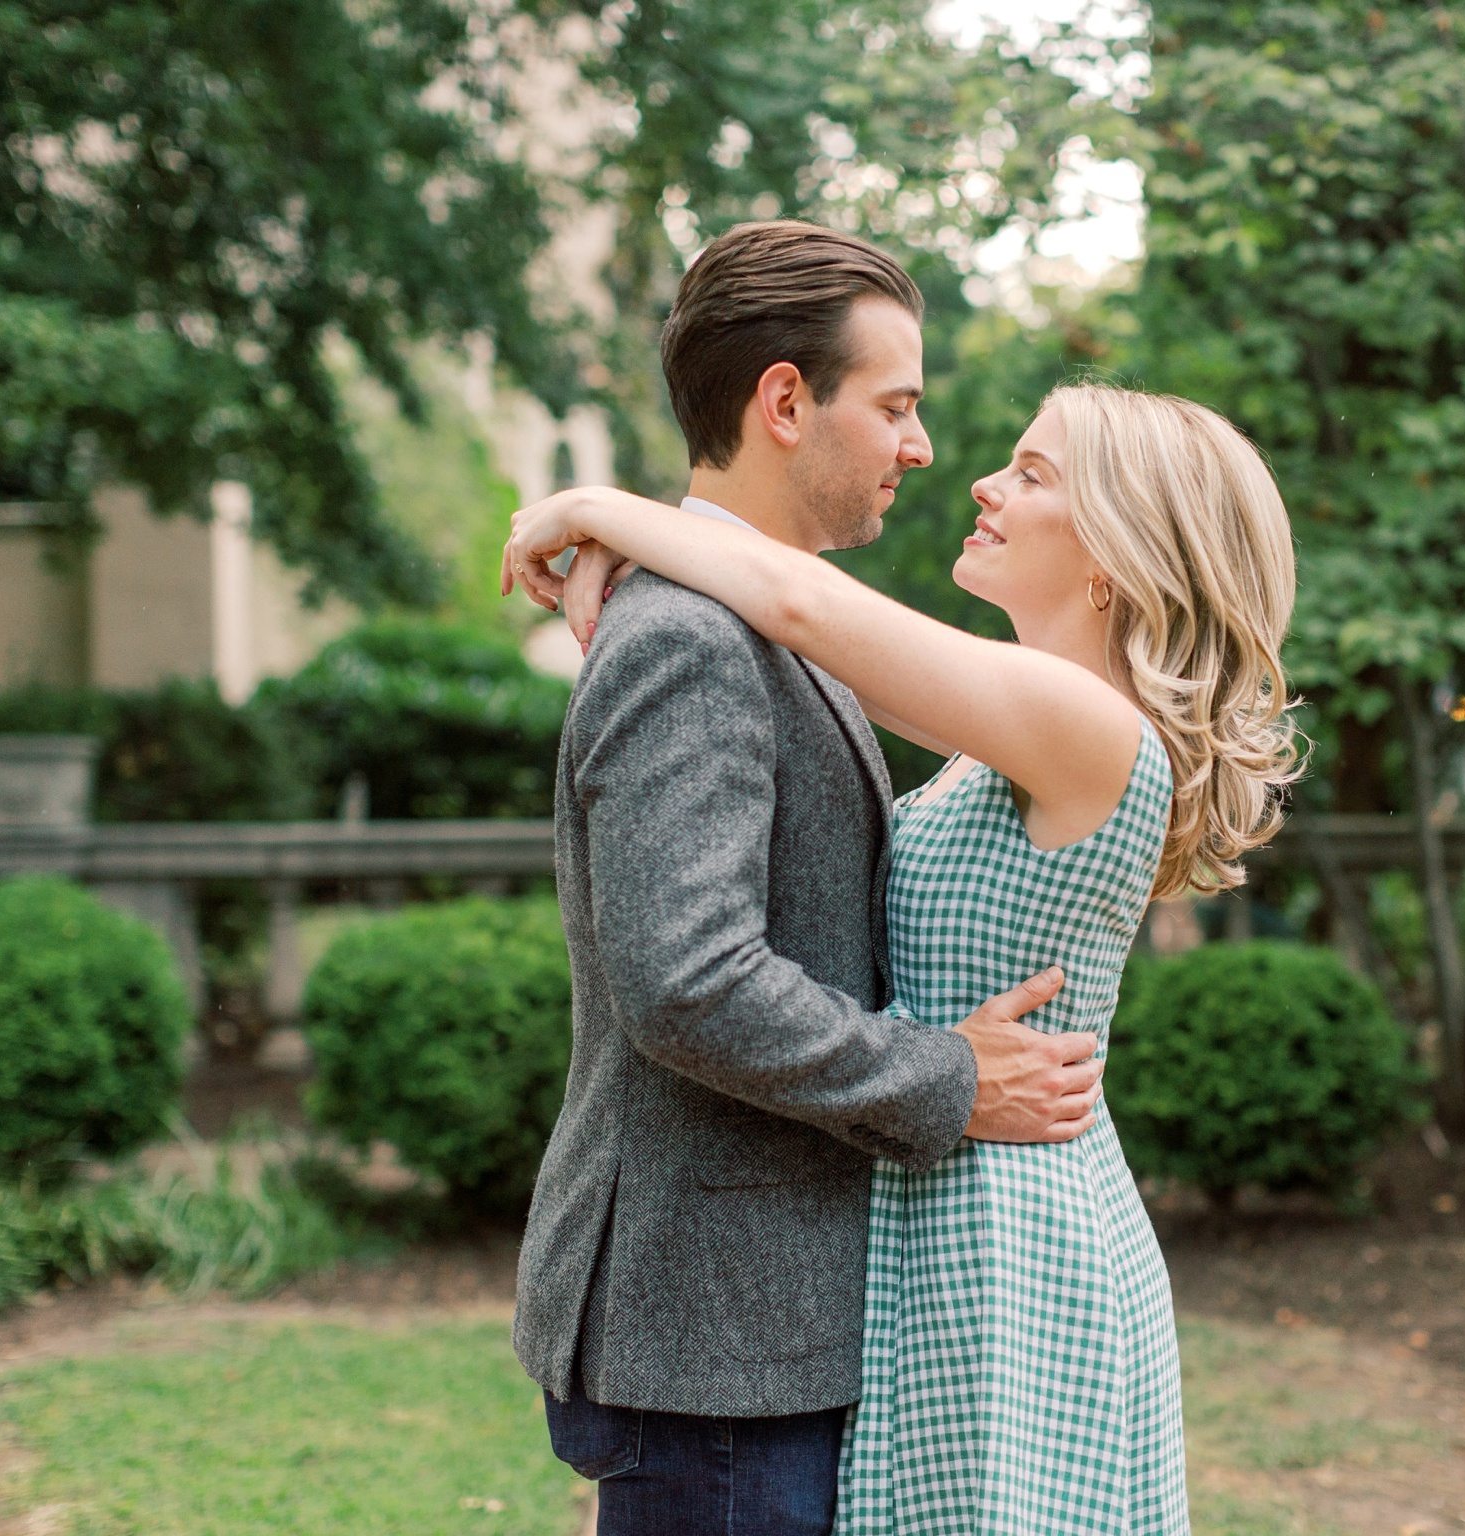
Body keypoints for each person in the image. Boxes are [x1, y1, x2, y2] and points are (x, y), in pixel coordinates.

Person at [507, 329, 1301, 1528]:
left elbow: (791, 597)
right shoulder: (1013, 716)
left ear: (1112, 558)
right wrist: (634, 568)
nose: (981, 480)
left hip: (1007, 1237)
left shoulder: (1079, 721)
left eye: (1033, 474)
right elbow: (786, 634)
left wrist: (588, 509)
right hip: (944, 1199)